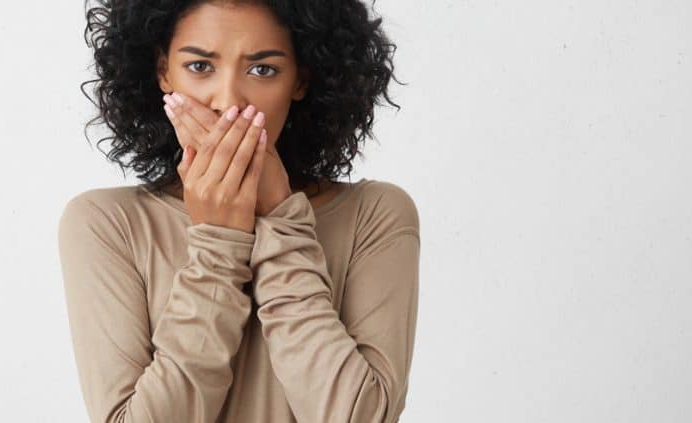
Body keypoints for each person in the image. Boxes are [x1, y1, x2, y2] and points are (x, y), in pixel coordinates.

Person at [58, 1, 420, 421]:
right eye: (199, 67)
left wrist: (282, 218)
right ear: (163, 73)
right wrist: (218, 245)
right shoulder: (106, 224)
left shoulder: (375, 216)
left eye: (262, 69)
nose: (227, 103)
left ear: (300, 79)